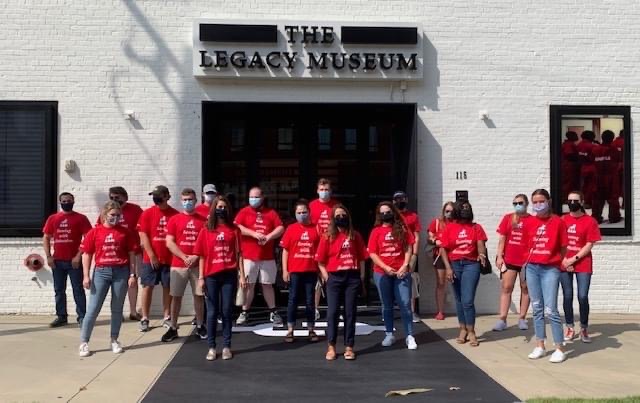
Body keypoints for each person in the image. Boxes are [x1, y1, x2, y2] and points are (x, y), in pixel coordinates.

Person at [78, 201, 137, 357]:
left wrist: (132, 274)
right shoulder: (95, 232)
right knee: (93, 309)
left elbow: (132, 254)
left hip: (121, 272)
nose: (115, 218)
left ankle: (114, 339)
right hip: (101, 272)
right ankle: (84, 342)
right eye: (112, 215)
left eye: (118, 215)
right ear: (104, 214)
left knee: (117, 309)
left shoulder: (125, 232)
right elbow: (87, 254)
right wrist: (86, 275)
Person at [194, 196, 246, 360]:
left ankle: (226, 346)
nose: (221, 210)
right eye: (219, 206)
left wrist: (242, 275)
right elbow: (202, 255)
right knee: (211, 312)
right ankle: (211, 347)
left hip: (229, 275)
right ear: (213, 209)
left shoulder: (234, 230)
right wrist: (201, 277)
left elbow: (239, 254)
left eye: (224, 207)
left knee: (226, 311)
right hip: (211, 276)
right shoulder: (206, 230)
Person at [315, 204, 368, 361]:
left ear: (348, 217)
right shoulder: (327, 236)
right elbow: (320, 261)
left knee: (350, 313)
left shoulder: (355, 235)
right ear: (333, 218)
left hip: (352, 277)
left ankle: (349, 347)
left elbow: (362, 258)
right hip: (334, 278)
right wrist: (327, 277)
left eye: (343, 215)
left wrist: (361, 277)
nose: (341, 218)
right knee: (332, 313)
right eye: (337, 215)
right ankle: (331, 346)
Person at [523, 189, 568, 363]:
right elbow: (527, 245)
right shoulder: (529, 222)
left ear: (548, 201)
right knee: (537, 307)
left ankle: (559, 347)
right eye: (535, 201)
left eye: (541, 201)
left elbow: (563, 246)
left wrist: (558, 262)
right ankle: (540, 345)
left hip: (550, 268)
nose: (538, 204)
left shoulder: (558, 222)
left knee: (551, 309)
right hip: (532, 267)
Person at [368, 201, 417, 350]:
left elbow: (408, 247)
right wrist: (385, 267)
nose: (385, 215)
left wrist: (405, 265)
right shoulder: (376, 231)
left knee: (405, 304)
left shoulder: (402, 228)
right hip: (382, 273)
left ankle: (410, 335)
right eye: (382, 213)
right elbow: (372, 252)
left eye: (388, 211)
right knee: (387, 306)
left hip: (401, 272)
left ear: (393, 212)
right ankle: (389, 334)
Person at [439, 200, 487, 347]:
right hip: (454, 265)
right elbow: (443, 249)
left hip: (471, 265)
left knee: (468, 300)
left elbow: (481, 245)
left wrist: (482, 255)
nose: (465, 210)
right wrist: (448, 268)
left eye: (468, 208)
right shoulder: (449, 228)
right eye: (463, 208)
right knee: (459, 299)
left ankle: (471, 331)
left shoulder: (476, 227)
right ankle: (462, 329)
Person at [162, 188, 208, 342]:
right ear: (181, 201)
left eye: (190, 199)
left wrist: (195, 256)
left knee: (199, 296)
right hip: (178, 265)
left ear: (196, 201)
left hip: (197, 265)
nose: (187, 202)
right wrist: (184, 257)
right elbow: (169, 242)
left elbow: (206, 243)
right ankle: (173, 327)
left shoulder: (203, 220)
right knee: (176, 297)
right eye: (184, 200)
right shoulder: (174, 219)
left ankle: (200, 325)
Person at [234, 187, 285, 325]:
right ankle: (244, 312)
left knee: (267, 285)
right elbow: (236, 226)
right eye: (251, 197)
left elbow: (280, 227)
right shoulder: (244, 212)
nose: (254, 199)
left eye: (256, 197)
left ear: (262, 197)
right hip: (249, 256)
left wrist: (269, 237)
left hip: (267, 256)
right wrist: (253, 234)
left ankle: (273, 311)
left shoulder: (271, 213)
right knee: (249, 285)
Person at [43, 192, 92, 327]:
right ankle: (61, 316)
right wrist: (48, 256)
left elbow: (88, 238)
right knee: (59, 290)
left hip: (74, 262)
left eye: (69, 200)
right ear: (60, 202)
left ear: (73, 201)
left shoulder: (81, 218)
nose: (66, 203)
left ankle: (82, 317)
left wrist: (78, 256)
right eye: (64, 201)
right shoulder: (53, 218)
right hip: (57, 261)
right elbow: (46, 237)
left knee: (78, 289)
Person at [560, 191, 601, 343]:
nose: (572, 203)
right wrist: (565, 260)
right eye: (569, 200)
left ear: (582, 202)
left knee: (582, 296)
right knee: (568, 296)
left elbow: (589, 244)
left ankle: (584, 328)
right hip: (564, 262)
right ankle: (570, 326)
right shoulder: (563, 219)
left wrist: (573, 259)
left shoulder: (590, 221)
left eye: (575, 200)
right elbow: (558, 242)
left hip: (583, 263)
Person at [98, 187, 144, 321]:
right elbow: (99, 228)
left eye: (117, 197)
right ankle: (117, 312)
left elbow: (143, 228)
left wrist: (141, 244)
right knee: (116, 283)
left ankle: (133, 311)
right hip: (114, 253)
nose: (114, 200)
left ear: (125, 197)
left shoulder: (135, 210)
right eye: (111, 197)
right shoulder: (107, 210)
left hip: (133, 252)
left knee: (132, 281)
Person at [137, 185, 179, 332]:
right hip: (150, 259)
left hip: (169, 258)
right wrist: (152, 255)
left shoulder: (175, 214)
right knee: (148, 287)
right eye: (154, 195)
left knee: (168, 287)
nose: (156, 198)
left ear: (167, 196)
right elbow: (143, 235)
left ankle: (166, 317)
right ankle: (144, 318)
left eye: (159, 195)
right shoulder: (147, 214)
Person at [280, 199, 320, 343]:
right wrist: (285, 270)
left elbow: (321, 250)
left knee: (310, 301)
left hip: (311, 270)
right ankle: (290, 329)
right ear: (295, 214)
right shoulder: (291, 229)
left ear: (309, 212)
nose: (302, 215)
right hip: (295, 271)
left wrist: (321, 270)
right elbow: (285, 251)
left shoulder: (317, 228)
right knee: (293, 300)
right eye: (299, 212)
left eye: (304, 212)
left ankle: (311, 329)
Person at [493, 194, 531, 331]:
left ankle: (522, 318)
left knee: (525, 288)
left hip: (526, 261)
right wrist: (499, 256)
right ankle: (502, 319)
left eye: (520, 202)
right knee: (506, 287)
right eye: (515, 203)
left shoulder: (532, 220)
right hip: (509, 259)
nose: (517, 205)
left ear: (526, 203)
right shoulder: (508, 218)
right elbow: (502, 239)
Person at [309, 178, 339, 320]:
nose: (324, 192)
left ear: (331, 191)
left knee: (332, 279)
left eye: (326, 190)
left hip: (333, 246)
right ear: (317, 191)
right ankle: (315, 309)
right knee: (317, 281)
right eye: (321, 190)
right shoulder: (311, 206)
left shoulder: (336, 206)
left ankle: (335, 308)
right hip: (316, 246)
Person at [392, 191, 422, 323]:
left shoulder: (413, 216)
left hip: (409, 254)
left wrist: (415, 254)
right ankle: (393, 309)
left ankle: (412, 311)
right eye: (397, 199)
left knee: (411, 281)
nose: (400, 201)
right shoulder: (391, 216)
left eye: (402, 198)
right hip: (394, 254)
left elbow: (416, 235)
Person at [427, 201, 455, 320]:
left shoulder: (458, 223)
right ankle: (440, 311)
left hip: (455, 255)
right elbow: (429, 236)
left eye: (451, 211)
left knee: (459, 282)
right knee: (441, 283)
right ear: (443, 211)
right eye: (447, 211)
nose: (449, 213)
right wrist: (435, 241)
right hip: (439, 256)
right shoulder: (437, 223)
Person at [592, 130, 621, 224]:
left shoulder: (595, 149)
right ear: (612, 138)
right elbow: (618, 162)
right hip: (611, 176)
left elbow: (591, 161)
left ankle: (596, 217)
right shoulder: (614, 150)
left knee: (597, 198)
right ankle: (614, 217)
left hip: (598, 176)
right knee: (613, 198)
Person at [577, 131, 596, 208]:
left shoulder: (578, 145)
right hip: (591, 168)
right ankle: (588, 202)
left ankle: (583, 201)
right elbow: (595, 157)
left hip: (582, 167)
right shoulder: (592, 146)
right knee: (591, 186)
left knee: (584, 186)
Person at [561, 131, 580, 202]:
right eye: (575, 135)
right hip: (569, 166)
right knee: (568, 183)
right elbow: (570, 155)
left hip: (569, 166)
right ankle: (565, 198)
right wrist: (578, 158)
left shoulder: (568, 144)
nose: (577, 137)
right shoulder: (569, 144)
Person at [611, 129, 624, 208]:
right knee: (624, 186)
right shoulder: (625, 142)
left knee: (615, 187)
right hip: (623, 167)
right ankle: (624, 204)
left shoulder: (613, 143)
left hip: (614, 168)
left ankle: (615, 205)